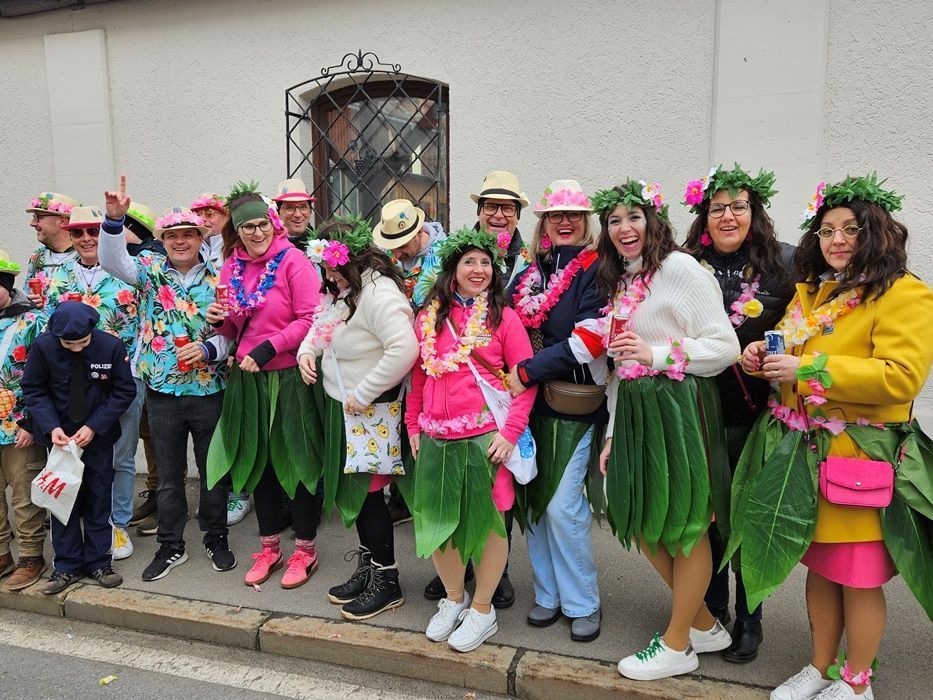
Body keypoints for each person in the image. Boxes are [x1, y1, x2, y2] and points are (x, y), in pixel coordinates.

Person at [736, 175, 933, 700]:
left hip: (859, 459)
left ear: (879, 233)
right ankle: (821, 668)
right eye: (827, 231)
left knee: (859, 576)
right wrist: (764, 362)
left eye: (851, 229)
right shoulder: (815, 291)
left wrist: (811, 366)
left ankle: (857, 682)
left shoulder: (904, 293)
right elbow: (795, 365)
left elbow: (900, 376)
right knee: (821, 568)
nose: (838, 239)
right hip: (805, 457)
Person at [592, 180, 739, 680]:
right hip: (634, 409)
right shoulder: (623, 277)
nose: (624, 229)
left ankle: (678, 645)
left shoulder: (681, 269)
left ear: (654, 221)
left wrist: (656, 354)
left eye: (634, 217)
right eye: (614, 221)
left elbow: (725, 347)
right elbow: (619, 364)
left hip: (678, 405)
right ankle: (702, 623)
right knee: (641, 517)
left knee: (685, 523)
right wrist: (613, 432)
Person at [681, 164, 795, 663]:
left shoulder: (784, 265)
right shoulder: (682, 264)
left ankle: (751, 617)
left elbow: (804, 326)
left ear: (755, 212)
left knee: (746, 518)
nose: (728, 216)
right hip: (697, 412)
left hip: (755, 416)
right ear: (704, 214)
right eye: (718, 207)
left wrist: (776, 358)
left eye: (739, 206)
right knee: (704, 518)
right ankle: (710, 608)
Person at [405, 227, 535, 651]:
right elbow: (420, 376)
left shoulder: (504, 318)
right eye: (469, 262)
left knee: (490, 526)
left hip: (485, 439)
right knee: (440, 525)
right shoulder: (429, 317)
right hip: (436, 437)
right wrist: (413, 427)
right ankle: (454, 599)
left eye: (485, 263)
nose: (478, 270)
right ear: (453, 270)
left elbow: (524, 382)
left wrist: (510, 433)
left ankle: (483, 608)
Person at [99, 178, 236, 581]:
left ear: (200, 238)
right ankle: (171, 546)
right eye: (172, 236)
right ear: (163, 239)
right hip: (162, 389)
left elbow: (235, 329)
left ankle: (216, 537)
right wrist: (113, 220)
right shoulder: (148, 270)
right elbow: (111, 262)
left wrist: (212, 349)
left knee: (213, 470)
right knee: (170, 474)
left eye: (188, 235)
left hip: (210, 388)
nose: (180, 242)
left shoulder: (221, 276)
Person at [297, 215, 418, 620]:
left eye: (331, 265)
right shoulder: (344, 288)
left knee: (369, 496)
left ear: (351, 258)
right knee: (358, 495)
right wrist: (305, 352)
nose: (327, 274)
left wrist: (363, 392)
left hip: (373, 409)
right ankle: (369, 568)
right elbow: (322, 324)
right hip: (348, 408)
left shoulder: (379, 294)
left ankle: (388, 581)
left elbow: (404, 349)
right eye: (325, 266)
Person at [206, 182, 322, 590]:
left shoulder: (294, 262)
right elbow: (238, 323)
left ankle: (305, 550)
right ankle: (269, 547)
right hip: (250, 379)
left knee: (301, 462)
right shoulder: (231, 267)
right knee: (262, 465)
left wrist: (271, 347)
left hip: (290, 377)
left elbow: (311, 319)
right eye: (247, 228)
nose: (257, 234)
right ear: (236, 233)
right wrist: (220, 320)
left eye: (262, 225)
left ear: (274, 224)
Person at [505, 179, 606, 642]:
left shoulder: (595, 270)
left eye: (573, 215)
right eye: (555, 215)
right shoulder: (531, 270)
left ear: (585, 222)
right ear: (544, 223)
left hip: (573, 403)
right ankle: (548, 595)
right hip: (531, 406)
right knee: (536, 504)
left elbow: (588, 340)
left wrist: (527, 370)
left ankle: (583, 601)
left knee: (564, 507)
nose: (564, 222)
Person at [42, 205, 142, 562]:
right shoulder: (56, 278)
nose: (87, 239)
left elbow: (146, 320)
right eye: (78, 233)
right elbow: (47, 329)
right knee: (72, 453)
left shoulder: (127, 271)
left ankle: (116, 524)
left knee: (121, 455)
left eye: (94, 231)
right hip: (70, 384)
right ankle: (81, 525)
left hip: (120, 380)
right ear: (69, 236)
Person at [21, 301, 136, 595]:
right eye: (68, 344)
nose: (75, 349)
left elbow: (124, 391)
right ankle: (67, 566)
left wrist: (94, 426)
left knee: (99, 498)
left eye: (82, 343)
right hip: (60, 439)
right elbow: (34, 390)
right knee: (62, 501)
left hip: (97, 437)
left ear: (92, 332)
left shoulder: (110, 346)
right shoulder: (43, 347)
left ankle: (99, 562)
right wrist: (50, 427)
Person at [191, 191, 249, 527]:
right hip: (203, 356)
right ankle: (222, 492)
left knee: (239, 426)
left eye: (211, 212)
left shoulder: (235, 253)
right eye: (199, 213)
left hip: (237, 352)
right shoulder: (194, 250)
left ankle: (238, 493)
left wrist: (231, 346)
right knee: (220, 430)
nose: (206, 218)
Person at [0, 252, 48, 591]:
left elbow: (48, 376)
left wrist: (33, 421)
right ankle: (2, 552)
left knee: (24, 494)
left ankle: (31, 556)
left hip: (18, 424)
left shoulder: (32, 321)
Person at [375, 198, 446, 308]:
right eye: (392, 248)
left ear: (419, 232)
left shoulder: (445, 255)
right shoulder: (382, 253)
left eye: (402, 246)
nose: (396, 255)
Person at [471, 171, 531, 282]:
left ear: (518, 217)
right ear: (479, 212)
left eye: (507, 208)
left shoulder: (533, 261)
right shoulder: (454, 254)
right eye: (490, 207)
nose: (498, 215)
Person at [24, 191, 80, 291]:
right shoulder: (37, 257)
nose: (32, 223)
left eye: (38, 217)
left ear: (62, 221)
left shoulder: (86, 256)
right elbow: (27, 298)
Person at [273, 178, 315, 250]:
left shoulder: (321, 245)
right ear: (278, 212)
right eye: (290, 208)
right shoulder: (270, 245)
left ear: (310, 211)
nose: (298, 214)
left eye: (303, 207)